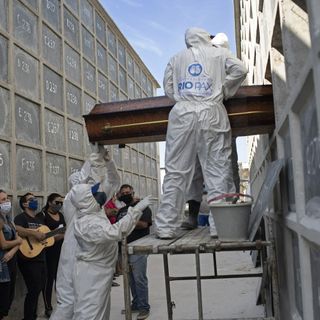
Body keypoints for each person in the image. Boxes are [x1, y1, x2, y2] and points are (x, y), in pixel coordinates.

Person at [155, 27, 247, 239]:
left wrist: (182, 97)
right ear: (206, 38)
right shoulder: (219, 53)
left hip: (182, 114)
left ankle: (166, 227)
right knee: (217, 171)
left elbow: (168, 88)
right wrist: (223, 89)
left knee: (176, 172)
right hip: (211, 111)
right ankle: (219, 227)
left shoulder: (176, 58)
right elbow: (240, 70)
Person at [50, 146, 120, 320]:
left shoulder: (95, 202)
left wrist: (107, 161)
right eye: (88, 184)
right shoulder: (73, 201)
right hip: (74, 255)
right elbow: (85, 181)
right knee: (68, 301)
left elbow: (114, 182)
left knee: (97, 301)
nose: (93, 186)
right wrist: (94, 156)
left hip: (91, 257)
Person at [70, 182, 153, 320]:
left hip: (100, 272)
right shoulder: (88, 223)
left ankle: (141, 305)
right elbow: (117, 231)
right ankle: (140, 305)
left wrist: (109, 164)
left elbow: (110, 184)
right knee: (89, 313)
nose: (99, 195)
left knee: (101, 311)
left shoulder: (94, 213)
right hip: (92, 275)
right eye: (93, 194)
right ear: (86, 200)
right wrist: (137, 209)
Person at [117, 184, 152, 320]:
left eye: (128, 192)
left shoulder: (143, 207)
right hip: (124, 248)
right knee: (130, 279)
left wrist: (129, 221)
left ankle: (144, 307)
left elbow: (144, 224)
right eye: (123, 193)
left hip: (139, 248)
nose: (125, 194)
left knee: (139, 279)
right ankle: (136, 304)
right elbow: (119, 229)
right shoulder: (121, 211)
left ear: (133, 192)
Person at [14, 193, 47, 320]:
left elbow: (44, 238)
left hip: (41, 258)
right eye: (31, 199)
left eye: (35, 199)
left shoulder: (39, 220)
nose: (35, 201)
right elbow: (17, 229)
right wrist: (33, 234)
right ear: (24, 204)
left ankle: (32, 316)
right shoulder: (21, 217)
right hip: (28, 259)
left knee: (38, 289)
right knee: (34, 289)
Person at [37, 193, 65, 318]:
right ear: (49, 202)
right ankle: (48, 307)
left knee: (61, 280)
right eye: (57, 202)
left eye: (61, 203)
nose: (59, 205)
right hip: (48, 253)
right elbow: (41, 235)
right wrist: (58, 236)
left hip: (61, 252)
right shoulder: (42, 216)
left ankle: (62, 304)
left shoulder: (62, 215)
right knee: (49, 281)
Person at [0, 190, 23, 320]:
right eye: (3, 200)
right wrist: (18, 242)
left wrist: (13, 250)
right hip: (2, 264)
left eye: (7, 198)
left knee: (8, 297)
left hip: (11, 260)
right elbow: (3, 245)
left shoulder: (9, 219)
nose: (7, 202)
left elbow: (19, 240)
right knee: (2, 300)